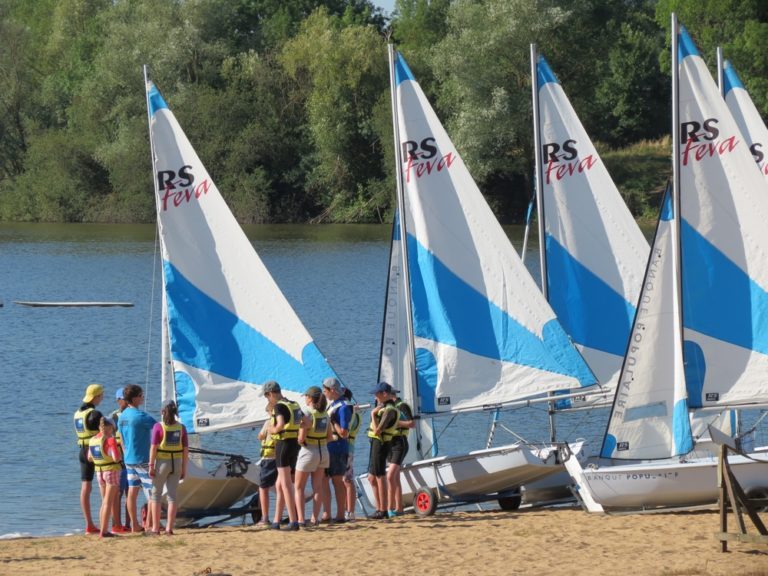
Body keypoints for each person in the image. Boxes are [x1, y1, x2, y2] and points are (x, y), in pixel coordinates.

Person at [118, 384, 157, 533]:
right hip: (143, 459)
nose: (143, 397)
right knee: (152, 492)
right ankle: (149, 525)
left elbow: (121, 439)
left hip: (128, 460)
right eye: (141, 395)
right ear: (134, 399)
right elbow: (159, 429)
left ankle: (134, 524)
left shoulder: (122, 416)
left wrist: (126, 453)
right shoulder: (141, 416)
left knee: (132, 493)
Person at [264, 381, 302, 531]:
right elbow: (306, 423)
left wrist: (271, 429)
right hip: (294, 445)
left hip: (283, 446)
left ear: (271, 393)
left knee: (286, 484)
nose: (268, 400)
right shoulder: (294, 404)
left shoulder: (279, 406)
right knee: (280, 484)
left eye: (267, 397)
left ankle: (293, 521)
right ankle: (276, 521)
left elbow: (279, 425)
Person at [148, 400, 188, 535]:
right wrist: (184, 468)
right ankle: (169, 529)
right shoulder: (181, 428)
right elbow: (185, 450)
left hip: (162, 464)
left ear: (162, 412)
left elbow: (153, 448)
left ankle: (155, 528)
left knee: (156, 494)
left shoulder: (158, 427)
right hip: (176, 463)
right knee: (172, 496)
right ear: (175, 412)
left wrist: (151, 466)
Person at [294, 386, 331, 527]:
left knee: (298, 487)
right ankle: (315, 519)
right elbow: (330, 436)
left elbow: (301, 438)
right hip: (323, 452)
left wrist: (300, 440)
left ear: (310, 398)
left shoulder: (307, 413)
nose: (304, 398)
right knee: (318, 487)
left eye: (306, 396)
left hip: (309, 451)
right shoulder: (325, 414)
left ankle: (301, 520)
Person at [74, 383, 105, 534]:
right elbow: (104, 432)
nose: (102, 398)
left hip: (82, 450)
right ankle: (105, 522)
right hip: (94, 450)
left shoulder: (78, 413)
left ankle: (89, 524)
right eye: (101, 396)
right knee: (104, 485)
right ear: (96, 397)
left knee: (86, 487)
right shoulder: (95, 414)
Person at [366, 381, 399, 519]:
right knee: (371, 477)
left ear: (384, 394)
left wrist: (373, 415)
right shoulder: (384, 407)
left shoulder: (389, 410)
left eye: (377, 394)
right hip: (375, 443)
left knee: (380, 476)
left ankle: (383, 510)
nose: (375, 397)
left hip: (381, 443)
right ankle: (379, 508)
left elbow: (378, 431)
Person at [323, 376, 352, 523]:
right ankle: (326, 513)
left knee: (337, 481)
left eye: (325, 391)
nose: (324, 393)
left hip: (338, 448)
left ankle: (340, 514)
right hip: (328, 447)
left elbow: (344, 433)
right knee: (323, 480)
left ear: (332, 390)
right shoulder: (333, 404)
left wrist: (333, 422)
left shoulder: (344, 407)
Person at [87, 417, 122, 538]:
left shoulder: (92, 440)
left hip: (99, 472)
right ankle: (104, 531)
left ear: (99, 428)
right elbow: (116, 458)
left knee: (104, 502)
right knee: (108, 502)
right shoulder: (110, 440)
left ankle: (103, 528)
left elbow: (89, 458)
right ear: (111, 428)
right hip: (111, 471)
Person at [387, 390, 415, 517]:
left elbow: (411, 423)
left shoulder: (402, 406)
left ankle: (390, 508)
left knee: (391, 475)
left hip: (400, 442)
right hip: (390, 443)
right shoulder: (389, 408)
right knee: (396, 478)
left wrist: (395, 423)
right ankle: (399, 509)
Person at [108, 388, 129, 533]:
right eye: (123, 399)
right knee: (117, 492)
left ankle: (129, 523)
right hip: (118, 461)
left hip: (131, 459)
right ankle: (116, 524)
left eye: (128, 399)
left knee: (131, 491)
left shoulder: (135, 413)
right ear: (118, 400)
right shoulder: (113, 417)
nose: (126, 402)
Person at [342, 387, 362, 522]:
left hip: (347, 447)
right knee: (345, 480)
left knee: (347, 480)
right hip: (349, 447)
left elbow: (345, 431)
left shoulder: (349, 412)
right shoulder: (353, 411)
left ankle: (350, 512)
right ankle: (346, 511)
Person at [256, 407, 277, 527]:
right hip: (281, 458)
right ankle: (290, 515)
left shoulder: (269, 422)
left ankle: (265, 518)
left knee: (263, 488)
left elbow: (260, 436)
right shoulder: (284, 422)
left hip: (268, 459)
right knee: (281, 487)